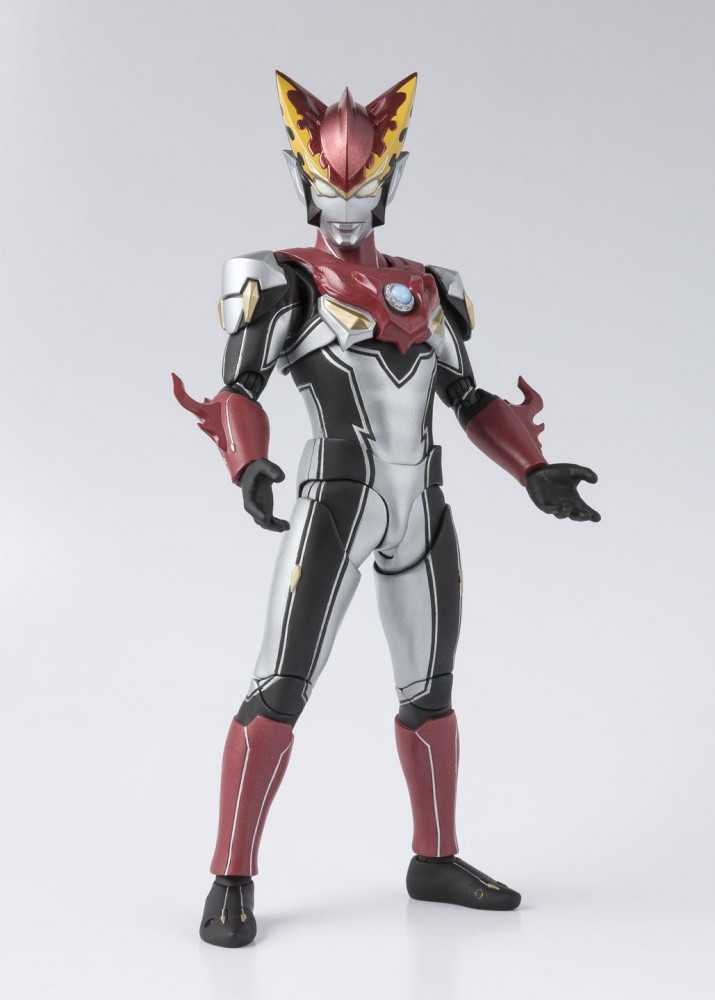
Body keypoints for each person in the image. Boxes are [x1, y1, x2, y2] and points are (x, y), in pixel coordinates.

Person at [173, 71, 600, 948]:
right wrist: (248, 464)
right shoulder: (284, 280)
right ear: (303, 180)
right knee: (279, 687)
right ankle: (230, 874)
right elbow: (239, 388)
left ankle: (434, 859)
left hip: (420, 502)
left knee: (429, 692)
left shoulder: (427, 286)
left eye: (362, 187)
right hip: (335, 497)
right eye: (330, 186)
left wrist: (532, 470)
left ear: (390, 181)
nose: (345, 204)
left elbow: (467, 396)